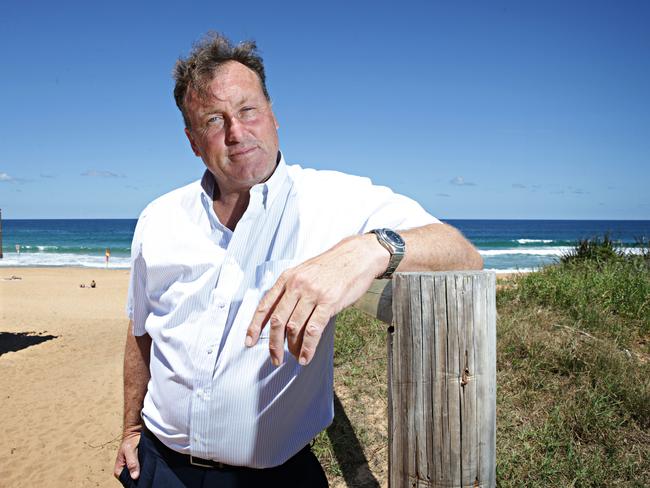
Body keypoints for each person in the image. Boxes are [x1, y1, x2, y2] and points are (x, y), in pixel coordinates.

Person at [114, 32, 482, 487]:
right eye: (213, 119)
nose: (236, 132)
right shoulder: (159, 217)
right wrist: (130, 429)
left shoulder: (333, 200)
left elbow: (461, 253)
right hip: (159, 465)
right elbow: (140, 333)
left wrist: (366, 250)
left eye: (248, 110)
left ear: (273, 115)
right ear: (193, 141)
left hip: (275, 477)